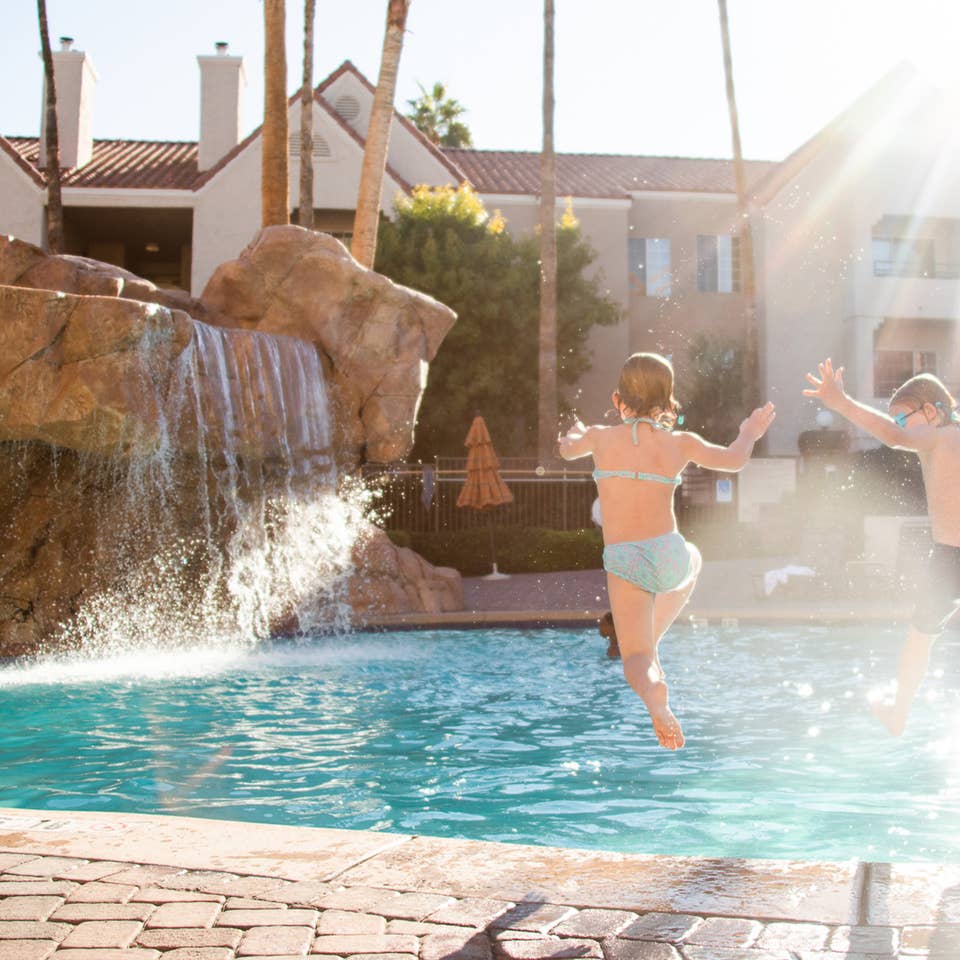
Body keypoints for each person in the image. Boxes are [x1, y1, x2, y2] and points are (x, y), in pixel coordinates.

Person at [559, 352, 775, 749]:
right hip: (669, 551)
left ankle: (654, 691)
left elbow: (567, 449)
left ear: (617, 399)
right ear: (667, 401)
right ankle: (654, 638)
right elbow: (734, 459)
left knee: (635, 657)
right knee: (693, 557)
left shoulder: (599, 437)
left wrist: (571, 433)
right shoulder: (681, 442)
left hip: (626, 560)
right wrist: (749, 432)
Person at [803, 358, 960, 735]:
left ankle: (899, 711)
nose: (902, 427)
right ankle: (898, 711)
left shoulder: (939, 435)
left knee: (920, 638)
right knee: (920, 636)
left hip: (949, 558)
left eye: (905, 418)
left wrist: (841, 404)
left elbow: (894, 437)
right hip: (947, 557)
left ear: (933, 410)